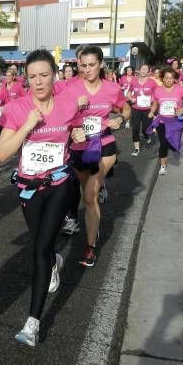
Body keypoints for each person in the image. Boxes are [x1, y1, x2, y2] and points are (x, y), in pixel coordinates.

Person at [0, 48, 84, 346]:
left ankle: (32, 323)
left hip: (59, 182)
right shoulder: (17, 108)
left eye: (44, 75)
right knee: (41, 243)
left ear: (54, 75)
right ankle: (55, 261)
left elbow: (77, 127)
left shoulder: (68, 103)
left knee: (39, 247)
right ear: (26, 79)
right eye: (32, 76)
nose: (38, 81)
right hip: (28, 186)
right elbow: (1, 153)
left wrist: (78, 135)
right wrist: (26, 126)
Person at [67, 46, 130, 267]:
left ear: (101, 64)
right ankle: (99, 187)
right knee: (87, 192)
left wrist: (121, 120)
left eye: (92, 64)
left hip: (104, 144)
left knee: (89, 196)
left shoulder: (112, 89)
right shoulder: (72, 88)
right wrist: (74, 109)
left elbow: (126, 108)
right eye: (83, 65)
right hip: (79, 147)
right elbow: (59, 113)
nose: (87, 69)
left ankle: (90, 247)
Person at [128, 63, 156, 156]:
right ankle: (137, 149)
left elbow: (157, 94)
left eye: (145, 69)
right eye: (142, 69)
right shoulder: (134, 81)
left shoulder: (152, 82)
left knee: (145, 129)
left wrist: (153, 99)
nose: (143, 71)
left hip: (147, 109)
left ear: (148, 72)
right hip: (136, 108)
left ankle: (147, 135)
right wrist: (131, 98)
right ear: (139, 70)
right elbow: (128, 92)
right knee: (135, 129)